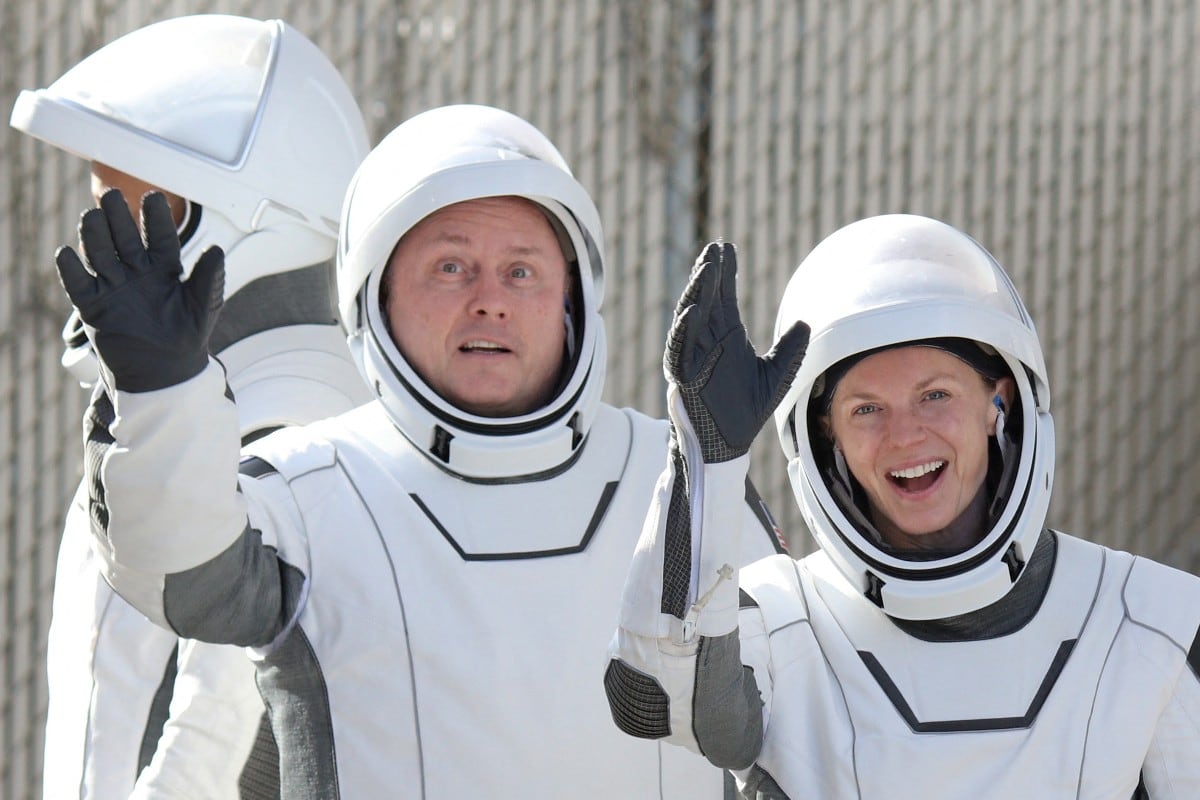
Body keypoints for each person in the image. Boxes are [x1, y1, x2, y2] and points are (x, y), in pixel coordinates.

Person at [51, 103, 788, 798]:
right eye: (450, 267)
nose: (490, 299)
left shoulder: (680, 477)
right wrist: (160, 395)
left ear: (573, 300)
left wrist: (714, 470)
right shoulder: (307, 490)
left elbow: (787, 715)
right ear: (375, 298)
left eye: (522, 271)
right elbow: (182, 576)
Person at [605, 216, 1200, 798]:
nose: (905, 436)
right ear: (826, 436)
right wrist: (706, 456)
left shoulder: (1150, 621)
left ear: (1000, 403)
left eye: (935, 395)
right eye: (866, 409)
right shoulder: (778, 623)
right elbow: (653, 699)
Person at [11, 14, 372, 799]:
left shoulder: (282, 421)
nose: (103, 241)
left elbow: (219, 730)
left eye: (136, 214)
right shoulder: (217, 396)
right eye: (100, 203)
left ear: (244, 223)